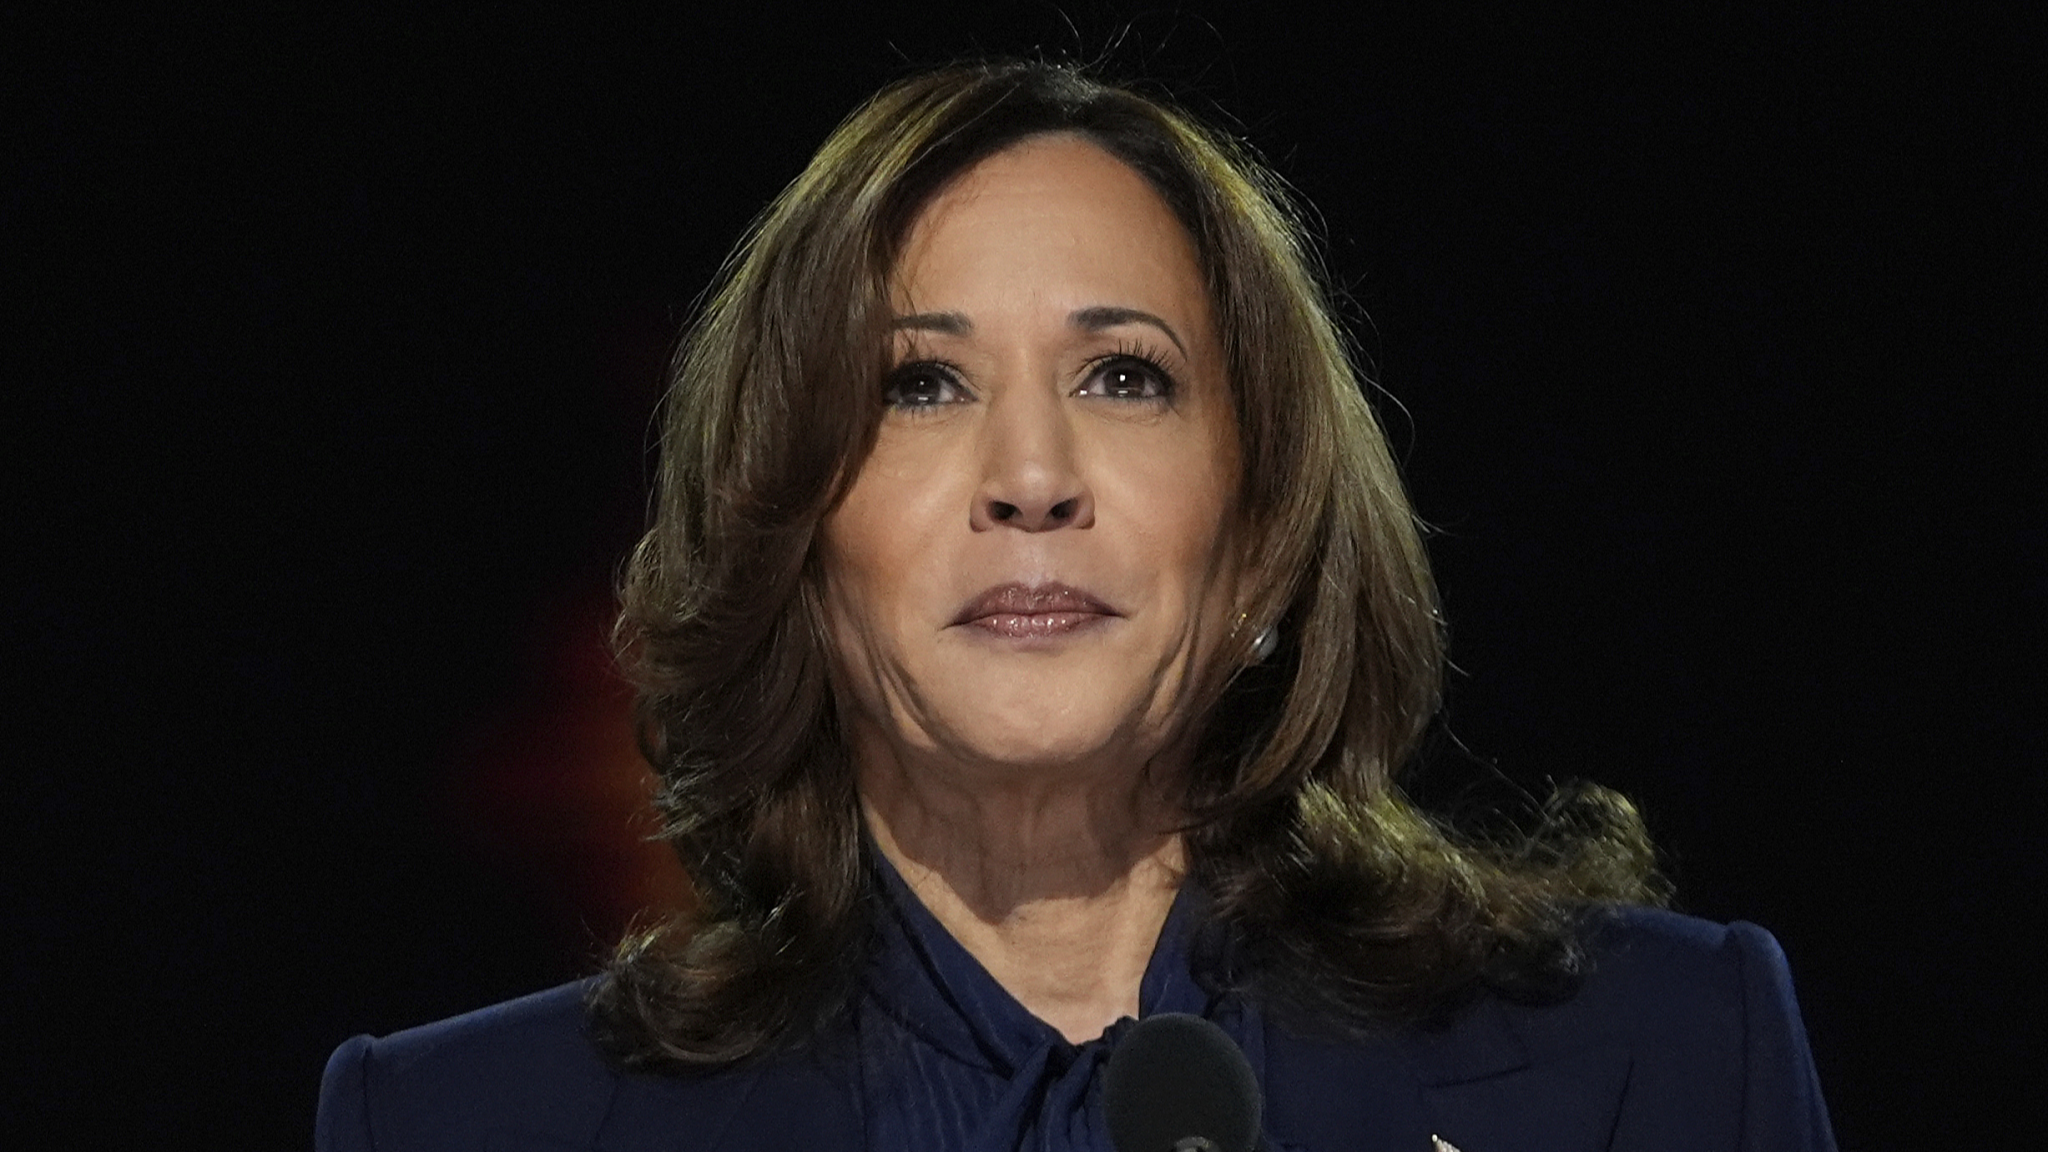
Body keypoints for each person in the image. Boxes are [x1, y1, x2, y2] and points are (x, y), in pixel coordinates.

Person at [317, 61, 1835, 1151]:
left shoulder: (1662, 1061)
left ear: (1260, 534)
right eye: (921, 384)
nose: (1032, 475)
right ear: (794, 543)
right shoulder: (453, 1124)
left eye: (1127, 377)